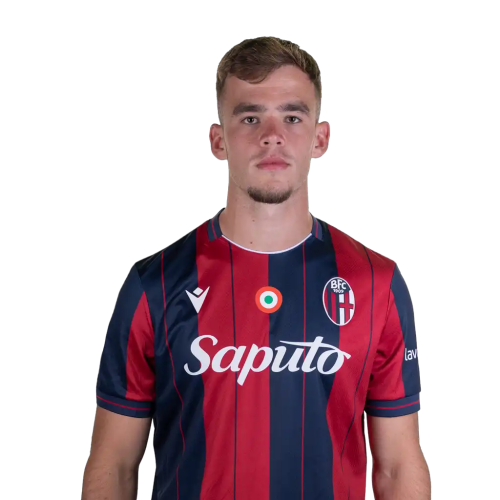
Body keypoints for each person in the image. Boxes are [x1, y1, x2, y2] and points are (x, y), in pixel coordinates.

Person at [82, 36, 431, 499]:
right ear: (218, 140)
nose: (272, 135)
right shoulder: (154, 284)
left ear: (321, 138)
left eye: (292, 116)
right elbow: (115, 464)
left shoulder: (376, 282)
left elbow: (398, 466)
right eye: (250, 117)